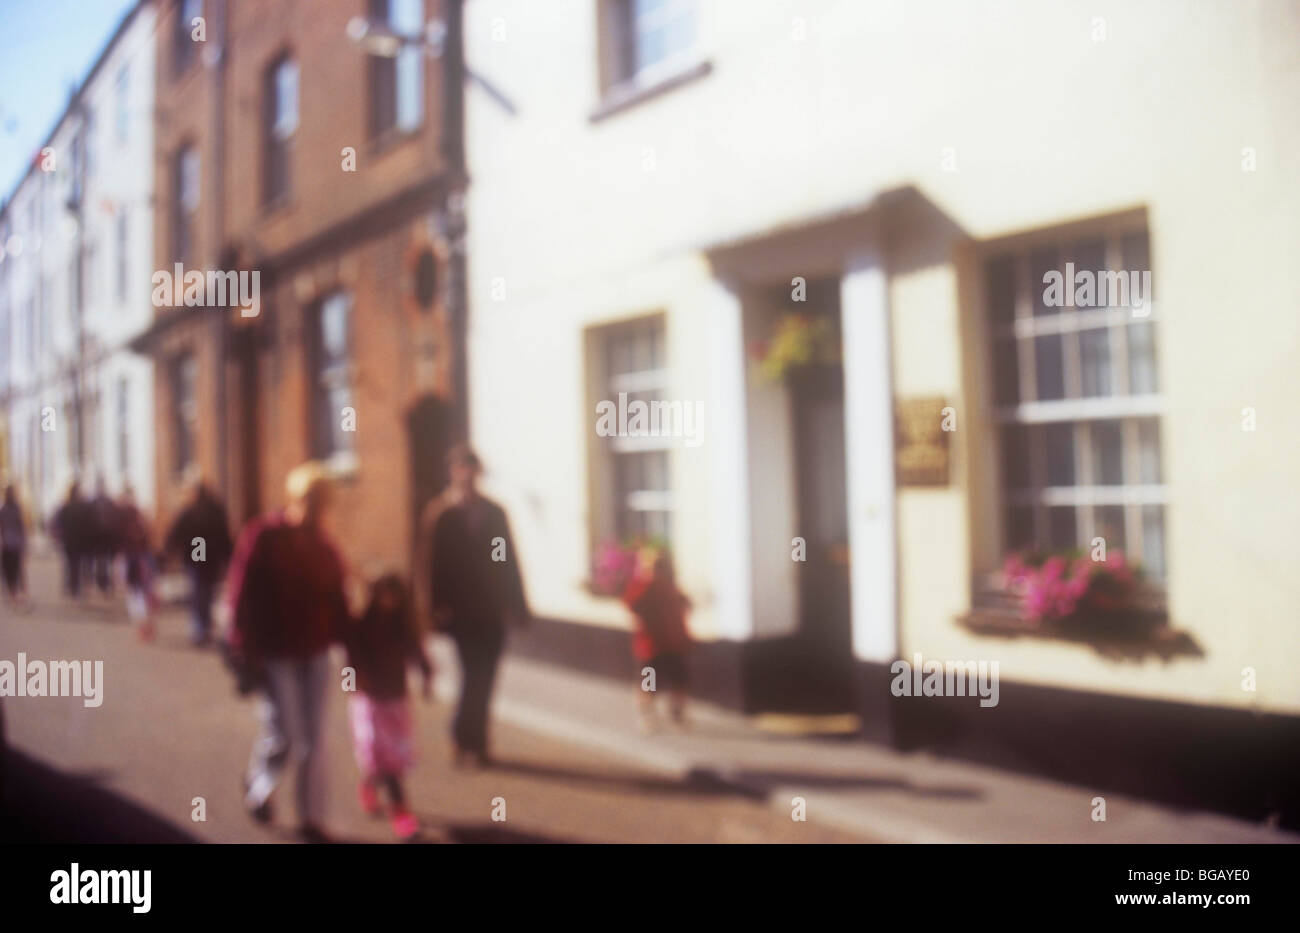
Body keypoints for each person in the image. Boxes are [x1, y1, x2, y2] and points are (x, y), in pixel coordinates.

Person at [225, 462, 347, 843]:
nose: (314, 507)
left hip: (315, 651)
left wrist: (360, 642)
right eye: (309, 499)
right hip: (275, 651)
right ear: (295, 497)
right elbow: (240, 591)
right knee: (285, 732)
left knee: (315, 737)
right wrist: (242, 644)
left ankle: (311, 816)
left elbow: (339, 602)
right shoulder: (264, 535)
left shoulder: (326, 547)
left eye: (321, 501)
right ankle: (260, 785)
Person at [419, 445, 529, 768]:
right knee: (471, 674)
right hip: (460, 611)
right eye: (460, 469)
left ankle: (475, 741)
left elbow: (506, 559)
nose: (467, 476)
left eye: (472, 469)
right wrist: (432, 608)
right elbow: (431, 565)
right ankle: (464, 737)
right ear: (453, 473)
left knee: (487, 675)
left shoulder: (494, 514)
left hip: (491, 610)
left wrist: (516, 603)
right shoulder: (442, 514)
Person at [339, 573, 432, 841]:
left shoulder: (403, 626)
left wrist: (426, 674)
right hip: (369, 702)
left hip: (395, 699)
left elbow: (417, 652)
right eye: (384, 593)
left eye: (395, 594)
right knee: (379, 756)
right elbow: (350, 659)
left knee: (391, 759)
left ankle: (384, 796)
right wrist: (352, 683)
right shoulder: (360, 626)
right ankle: (395, 807)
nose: (389, 600)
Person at [622, 548, 693, 732]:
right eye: (655, 565)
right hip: (650, 648)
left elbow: (683, 608)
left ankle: (677, 715)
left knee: (679, 682)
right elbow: (630, 604)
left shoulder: (671, 588)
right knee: (649, 685)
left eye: (661, 565)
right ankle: (647, 717)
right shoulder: (644, 587)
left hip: (672, 646)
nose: (659, 569)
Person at [165, 479, 233, 646]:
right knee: (206, 590)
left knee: (198, 589)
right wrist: (228, 555)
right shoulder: (216, 511)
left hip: (197, 551)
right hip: (211, 555)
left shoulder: (191, 510)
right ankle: (204, 625)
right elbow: (225, 535)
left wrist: (170, 550)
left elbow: (176, 532)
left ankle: (199, 627)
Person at [51, 482, 91, 598]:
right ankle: (76, 587)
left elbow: (57, 523)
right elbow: (87, 525)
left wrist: (59, 536)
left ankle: (71, 586)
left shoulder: (65, 507)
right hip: (79, 541)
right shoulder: (82, 507)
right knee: (78, 564)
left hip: (68, 541)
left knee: (70, 564)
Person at [89, 478, 120, 596]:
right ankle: (105, 582)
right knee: (104, 560)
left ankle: (104, 582)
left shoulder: (95, 502)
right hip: (104, 537)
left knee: (102, 560)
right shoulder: (108, 502)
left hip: (102, 537)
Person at [0, 485, 29, 609]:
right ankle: (20, 593)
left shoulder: (3, 509)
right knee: (17, 569)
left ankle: (13, 594)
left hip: (7, 544)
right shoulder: (17, 508)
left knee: (9, 570)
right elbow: (21, 527)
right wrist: (24, 543)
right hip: (16, 544)